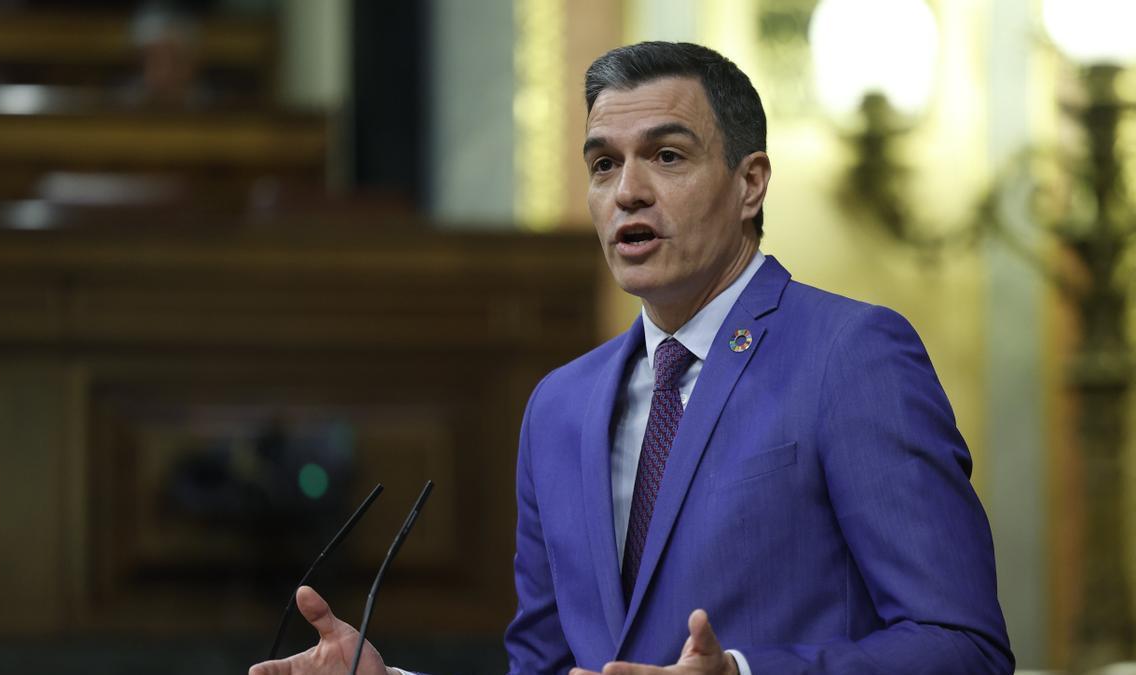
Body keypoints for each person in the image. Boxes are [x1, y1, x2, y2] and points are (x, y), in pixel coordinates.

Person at [249, 41, 1013, 675]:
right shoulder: (560, 404)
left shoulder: (851, 355)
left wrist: (745, 673)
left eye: (667, 156)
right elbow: (545, 666)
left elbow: (964, 646)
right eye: (603, 165)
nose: (628, 192)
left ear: (750, 183)